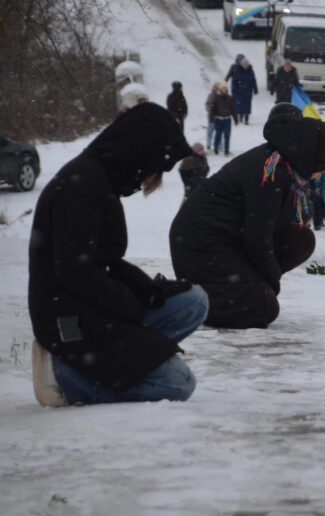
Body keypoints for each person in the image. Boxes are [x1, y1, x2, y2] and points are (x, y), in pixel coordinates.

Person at [28, 103, 205, 407]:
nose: (151, 177)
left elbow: (102, 260)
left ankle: (124, 359)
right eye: (155, 166)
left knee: (194, 301)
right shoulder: (82, 186)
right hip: (66, 320)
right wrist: (129, 308)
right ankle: (65, 376)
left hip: (89, 306)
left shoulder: (101, 178)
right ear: (140, 150)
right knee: (178, 384)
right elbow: (75, 271)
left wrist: (145, 289)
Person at [170, 106, 325, 329]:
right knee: (264, 307)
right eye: (324, 168)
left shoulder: (282, 165)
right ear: (313, 157)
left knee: (299, 240)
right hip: (202, 245)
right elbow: (257, 237)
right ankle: (189, 302)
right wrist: (270, 284)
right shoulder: (269, 172)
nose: (322, 175)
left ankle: (243, 289)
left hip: (227, 241)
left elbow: (272, 228)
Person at [225, 54, 258, 125]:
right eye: (238, 60)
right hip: (237, 90)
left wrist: (255, 89)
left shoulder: (250, 71)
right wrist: (225, 82)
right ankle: (239, 116)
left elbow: (253, 80)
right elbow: (229, 76)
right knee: (238, 104)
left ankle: (245, 118)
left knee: (247, 104)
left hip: (247, 91)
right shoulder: (234, 67)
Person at [209, 81, 236, 155]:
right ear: (220, 90)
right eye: (222, 89)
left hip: (227, 120)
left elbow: (233, 109)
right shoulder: (216, 98)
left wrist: (235, 118)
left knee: (227, 135)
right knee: (218, 135)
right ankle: (216, 149)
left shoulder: (230, 98)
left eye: (225, 89)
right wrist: (211, 119)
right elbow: (213, 109)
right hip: (219, 119)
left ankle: (226, 150)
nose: (224, 90)